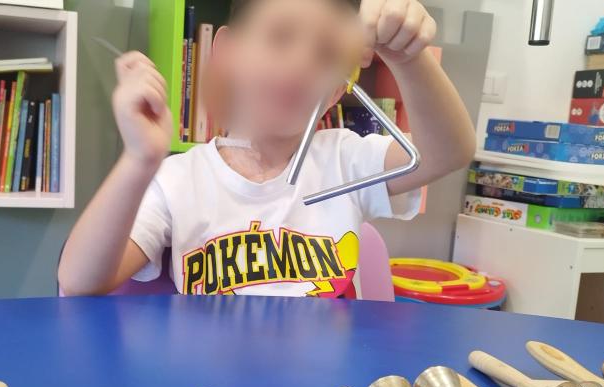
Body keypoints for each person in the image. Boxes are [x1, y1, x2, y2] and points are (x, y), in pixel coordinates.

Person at [59, 0, 476, 298]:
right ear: (227, 53)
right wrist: (139, 160)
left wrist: (407, 56)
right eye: (280, 37)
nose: (301, 63)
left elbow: (449, 152)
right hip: (211, 384)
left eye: (326, 54)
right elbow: (79, 282)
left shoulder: (346, 161)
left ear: (337, 89)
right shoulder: (178, 181)